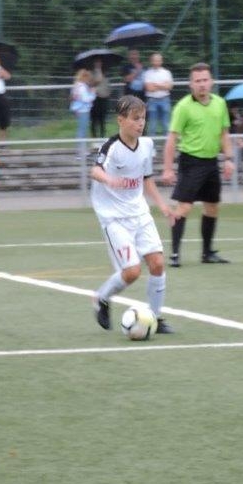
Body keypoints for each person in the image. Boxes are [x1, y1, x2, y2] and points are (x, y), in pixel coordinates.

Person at [90, 95, 176, 336]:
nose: (141, 123)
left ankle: (155, 318)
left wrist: (162, 205)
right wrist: (109, 179)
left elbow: (146, 178)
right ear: (121, 120)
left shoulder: (146, 145)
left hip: (139, 213)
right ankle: (101, 298)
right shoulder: (111, 147)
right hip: (114, 219)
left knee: (157, 263)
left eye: (143, 118)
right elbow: (95, 170)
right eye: (135, 118)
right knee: (132, 272)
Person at [161, 62, 235, 267]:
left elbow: (224, 134)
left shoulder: (220, 103)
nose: (202, 84)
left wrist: (229, 159)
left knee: (212, 207)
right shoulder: (183, 107)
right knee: (184, 207)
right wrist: (167, 169)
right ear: (191, 84)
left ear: (211, 82)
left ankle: (207, 253)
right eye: (197, 81)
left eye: (205, 80)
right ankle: (175, 254)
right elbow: (172, 139)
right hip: (191, 162)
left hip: (211, 162)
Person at [143, 52, 173, 135]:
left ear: (161, 61)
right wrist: (163, 85)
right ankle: (152, 142)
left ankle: (167, 141)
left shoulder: (166, 73)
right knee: (152, 124)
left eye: (158, 60)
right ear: (151, 61)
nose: (156, 62)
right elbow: (149, 88)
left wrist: (156, 85)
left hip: (165, 99)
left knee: (166, 123)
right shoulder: (147, 73)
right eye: (154, 60)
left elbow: (169, 87)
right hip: (152, 100)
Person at [70, 68, 96, 154]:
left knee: (81, 130)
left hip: (80, 110)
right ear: (84, 77)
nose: (89, 80)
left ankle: (81, 150)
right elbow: (86, 99)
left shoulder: (77, 85)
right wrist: (93, 93)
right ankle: (81, 151)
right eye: (88, 78)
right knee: (82, 131)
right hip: (83, 110)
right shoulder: (82, 87)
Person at [90, 59, 111, 138]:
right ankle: (94, 137)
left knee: (103, 119)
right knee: (94, 119)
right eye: (97, 62)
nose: (98, 63)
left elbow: (107, 85)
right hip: (95, 98)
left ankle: (102, 136)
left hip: (104, 98)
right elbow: (93, 83)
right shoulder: (91, 73)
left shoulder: (105, 73)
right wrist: (98, 71)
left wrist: (108, 93)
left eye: (100, 62)